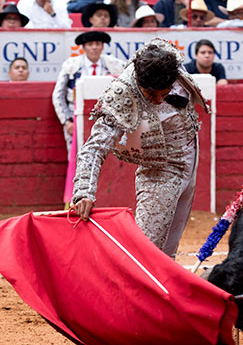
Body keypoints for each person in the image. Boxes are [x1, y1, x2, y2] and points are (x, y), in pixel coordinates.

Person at [71, 39, 210, 259]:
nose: (156, 101)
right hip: (160, 172)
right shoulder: (123, 92)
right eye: (150, 95)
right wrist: (83, 193)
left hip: (190, 159)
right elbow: (94, 148)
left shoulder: (171, 64)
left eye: (162, 95)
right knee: (145, 252)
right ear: (137, 80)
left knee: (168, 252)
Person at [52, 31, 125, 154]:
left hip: (106, 120)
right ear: (83, 47)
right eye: (90, 44)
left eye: (98, 44)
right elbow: (58, 95)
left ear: (102, 46)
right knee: (77, 154)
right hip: (76, 116)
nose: (94, 47)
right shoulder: (71, 66)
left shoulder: (115, 65)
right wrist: (67, 121)